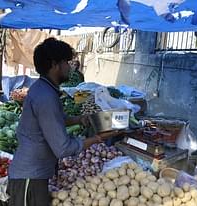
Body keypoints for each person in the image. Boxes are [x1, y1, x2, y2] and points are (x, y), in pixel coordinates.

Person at [7, 38, 121, 206]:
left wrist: (80, 120)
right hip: (29, 179)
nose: (70, 67)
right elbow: (63, 148)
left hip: (32, 174)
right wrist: (98, 139)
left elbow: (51, 121)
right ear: (55, 65)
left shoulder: (42, 88)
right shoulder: (46, 97)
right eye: (66, 62)